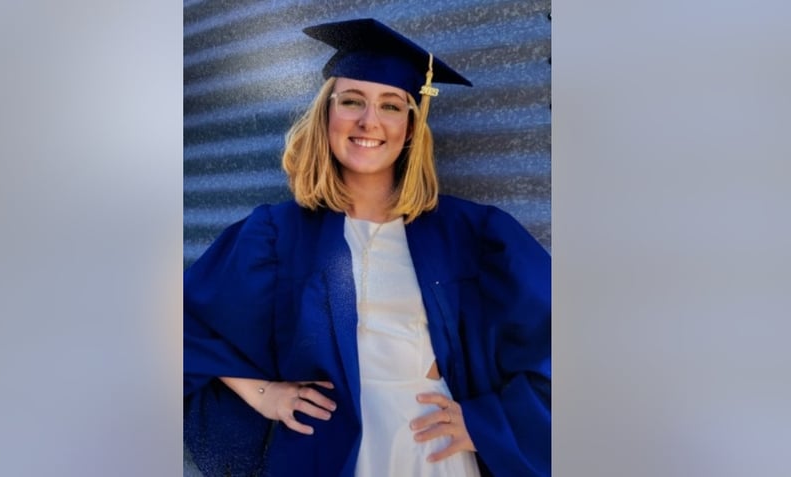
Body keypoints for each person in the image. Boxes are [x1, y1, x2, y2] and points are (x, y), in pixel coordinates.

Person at [184, 18, 551, 477]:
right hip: (324, 454)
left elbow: (559, 343)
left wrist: (490, 424)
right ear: (327, 115)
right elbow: (184, 326)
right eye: (352, 101)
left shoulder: (475, 233)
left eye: (392, 106)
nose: (369, 121)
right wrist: (264, 394)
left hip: (432, 452)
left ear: (412, 127)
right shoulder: (275, 234)